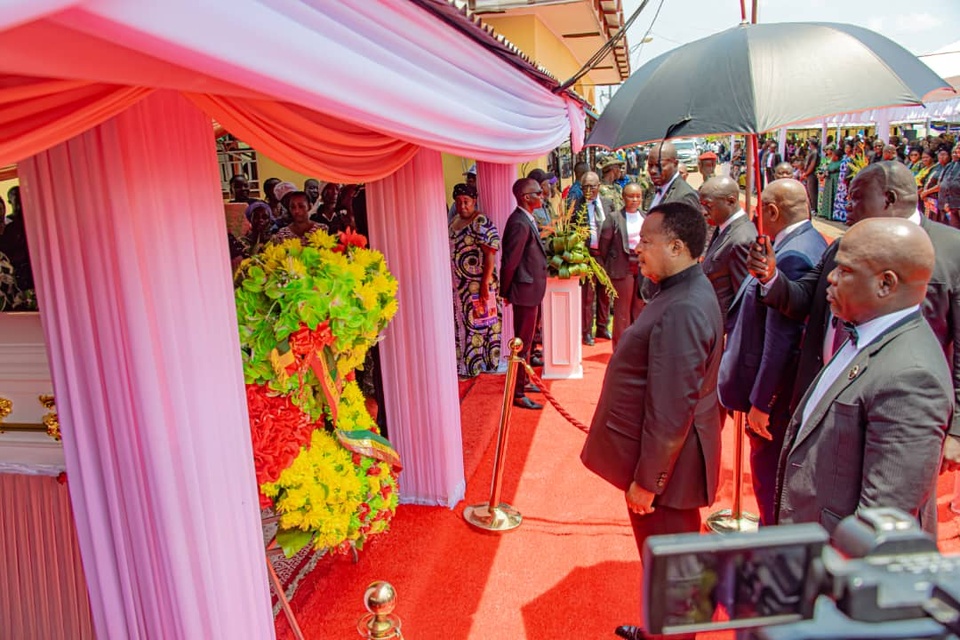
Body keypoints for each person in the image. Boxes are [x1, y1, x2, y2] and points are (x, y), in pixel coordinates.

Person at [748, 161, 960, 472]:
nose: (847, 205)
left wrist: (956, 428)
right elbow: (802, 299)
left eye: (857, 197)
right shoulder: (842, 244)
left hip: (893, 416)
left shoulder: (951, 249)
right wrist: (770, 276)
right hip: (824, 400)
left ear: (888, 199)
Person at [580, 202, 721, 640]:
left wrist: (649, 481)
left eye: (648, 241)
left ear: (677, 247)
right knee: (666, 568)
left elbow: (671, 407)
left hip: (670, 471)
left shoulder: (684, 306)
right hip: (671, 462)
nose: (637, 248)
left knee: (674, 573)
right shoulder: (679, 291)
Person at [777, 218, 951, 535]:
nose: (830, 277)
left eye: (844, 270)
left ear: (886, 284)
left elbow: (879, 526)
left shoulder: (912, 378)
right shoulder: (866, 331)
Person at [717, 179, 826, 525]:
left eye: (759, 209)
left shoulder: (794, 253)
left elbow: (782, 338)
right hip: (772, 390)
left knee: (770, 487)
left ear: (773, 211)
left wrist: (763, 401)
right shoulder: (802, 240)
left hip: (773, 400)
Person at [500, 178, 548, 411]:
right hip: (524, 291)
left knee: (528, 342)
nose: (543, 195)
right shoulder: (519, 222)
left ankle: (524, 381)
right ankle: (518, 393)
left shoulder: (527, 218)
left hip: (531, 290)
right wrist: (505, 291)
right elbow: (509, 262)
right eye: (538, 192)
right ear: (526, 197)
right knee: (523, 343)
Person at [448, 183, 502, 378]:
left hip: (478, 285)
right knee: (464, 325)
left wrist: (485, 284)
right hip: (460, 288)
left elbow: (490, 253)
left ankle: (479, 365)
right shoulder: (454, 221)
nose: (463, 206)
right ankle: (464, 365)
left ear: (474, 201)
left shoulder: (480, 221)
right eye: (459, 202)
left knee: (480, 325)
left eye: (466, 202)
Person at [699, 176, 757, 328]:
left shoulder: (742, 240)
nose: (704, 212)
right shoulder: (723, 227)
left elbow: (744, 301)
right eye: (702, 205)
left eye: (708, 206)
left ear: (730, 201)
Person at [597, 182, 645, 349]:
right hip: (622, 268)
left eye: (638, 196)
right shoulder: (614, 218)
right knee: (622, 311)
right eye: (631, 196)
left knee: (639, 309)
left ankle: (637, 348)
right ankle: (620, 348)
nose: (635, 199)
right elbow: (604, 246)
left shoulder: (645, 217)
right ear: (624, 198)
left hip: (642, 267)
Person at [574, 171, 613, 345]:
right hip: (587, 257)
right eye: (585, 187)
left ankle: (603, 327)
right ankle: (586, 331)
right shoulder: (576, 207)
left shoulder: (608, 204)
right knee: (587, 297)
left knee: (605, 294)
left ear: (599, 186)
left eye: (592, 186)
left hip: (605, 256)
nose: (589, 190)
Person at [801, 139, 820, 215]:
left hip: (811, 174)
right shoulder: (811, 152)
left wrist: (806, 173)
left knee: (812, 192)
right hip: (808, 174)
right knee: (809, 191)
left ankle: (814, 208)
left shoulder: (815, 152)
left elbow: (812, 165)